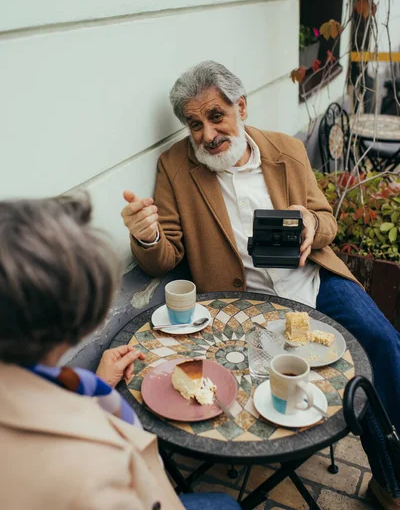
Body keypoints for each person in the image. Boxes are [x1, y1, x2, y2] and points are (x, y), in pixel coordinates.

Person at [121, 60, 400, 509]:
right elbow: (164, 257)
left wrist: (311, 222)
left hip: (311, 280)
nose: (207, 134)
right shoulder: (175, 166)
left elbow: (326, 218)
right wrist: (146, 233)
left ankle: (392, 479)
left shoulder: (287, 150)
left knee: (381, 343)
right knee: (340, 369)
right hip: (241, 302)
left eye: (216, 116)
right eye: (195, 124)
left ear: (241, 107)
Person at [0, 194, 241, 510]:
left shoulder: (65, 387)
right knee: (226, 504)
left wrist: (97, 383)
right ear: (86, 316)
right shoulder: (93, 471)